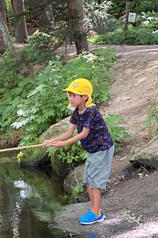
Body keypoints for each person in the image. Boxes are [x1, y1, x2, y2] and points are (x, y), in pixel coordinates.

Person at [43, 78, 114, 225]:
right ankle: (95, 210)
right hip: (92, 150)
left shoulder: (91, 112)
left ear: (85, 97)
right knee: (88, 179)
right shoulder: (77, 111)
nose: (70, 97)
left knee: (94, 181)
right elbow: (69, 132)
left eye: (74, 95)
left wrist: (62, 144)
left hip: (101, 149)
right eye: (69, 94)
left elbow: (83, 134)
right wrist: (52, 141)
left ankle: (96, 213)